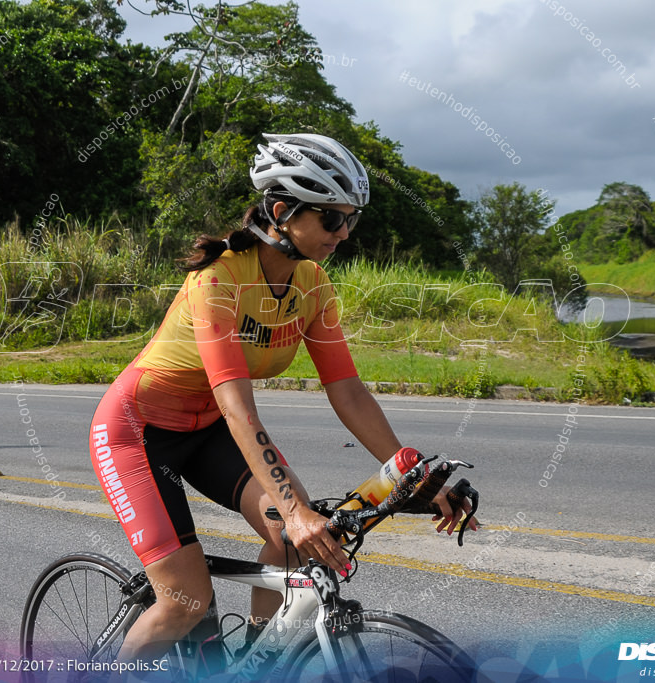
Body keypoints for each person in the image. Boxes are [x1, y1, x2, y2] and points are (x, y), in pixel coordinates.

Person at [88, 132, 478, 666]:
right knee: (184, 601)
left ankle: (255, 662)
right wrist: (293, 508)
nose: (344, 233)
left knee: (297, 544)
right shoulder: (217, 281)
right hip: (137, 434)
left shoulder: (313, 285)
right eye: (331, 219)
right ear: (280, 210)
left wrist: (415, 478)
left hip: (205, 435)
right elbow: (237, 406)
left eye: (351, 219)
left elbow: (348, 391)